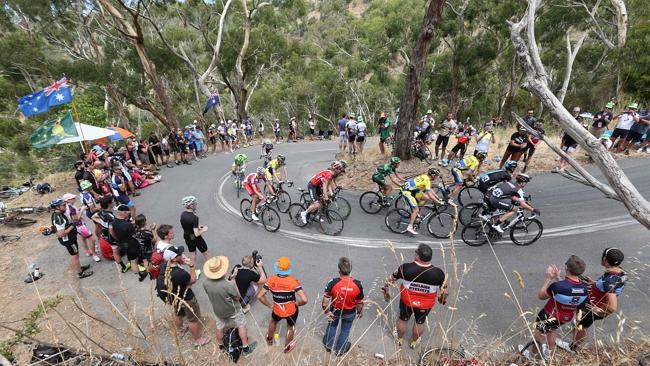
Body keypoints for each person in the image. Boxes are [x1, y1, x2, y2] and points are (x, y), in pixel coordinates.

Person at [519, 255, 588, 361]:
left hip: (548, 315)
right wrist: (558, 278)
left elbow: (541, 296)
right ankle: (549, 354)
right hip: (566, 317)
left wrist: (548, 279)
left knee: (540, 335)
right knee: (552, 330)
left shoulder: (558, 286)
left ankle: (532, 356)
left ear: (566, 268)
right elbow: (570, 290)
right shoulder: (584, 287)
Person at [383, 244, 446, 349]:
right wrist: (442, 299)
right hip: (425, 305)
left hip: (407, 301)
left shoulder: (405, 268)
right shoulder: (439, 273)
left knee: (403, 319)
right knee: (420, 322)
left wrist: (385, 288)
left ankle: (399, 339)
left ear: (417, 256)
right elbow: (444, 291)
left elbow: (390, 279)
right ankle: (414, 342)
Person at [156, 246, 210, 347]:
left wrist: (180, 261)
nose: (182, 255)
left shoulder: (164, 265)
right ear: (174, 258)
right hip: (186, 299)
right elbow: (193, 280)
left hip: (174, 297)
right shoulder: (180, 273)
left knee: (178, 314)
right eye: (179, 254)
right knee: (192, 319)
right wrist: (192, 266)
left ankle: (180, 331)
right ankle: (198, 340)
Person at [203, 256, 257, 356]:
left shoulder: (205, 283)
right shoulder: (227, 284)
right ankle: (245, 348)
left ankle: (221, 346)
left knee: (219, 327)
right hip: (233, 310)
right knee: (242, 325)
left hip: (218, 310)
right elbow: (237, 297)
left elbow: (208, 293)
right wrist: (233, 280)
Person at [257, 257, 308, 353]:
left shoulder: (271, 280)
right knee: (290, 327)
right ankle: (287, 347)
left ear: (277, 268)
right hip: (291, 310)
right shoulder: (293, 281)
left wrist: (269, 305)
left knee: (273, 322)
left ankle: (269, 339)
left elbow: (260, 296)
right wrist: (297, 303)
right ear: (288, 269)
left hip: (277, 308)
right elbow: (305, 299)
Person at [322, 257, 364, 356]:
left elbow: (325, 303)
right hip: (350, 312)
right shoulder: (357, 284)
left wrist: (327, 312)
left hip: (335, 310)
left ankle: (328, 346)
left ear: (339, 269)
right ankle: (340, 350)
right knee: (345, 329)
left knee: (332, 326)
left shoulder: (332, 282)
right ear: (350, 270)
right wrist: (360, 311)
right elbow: (359, 302)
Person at [50, 198, 94, 279]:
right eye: (63, 205)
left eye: (65, 204)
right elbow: (61, 234)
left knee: (75, 255)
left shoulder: (57, 214)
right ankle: (80, 273)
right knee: (75, 256)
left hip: (70, 238)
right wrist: (72, 225)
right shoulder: (59, 218)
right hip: (68, 240)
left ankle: (79, 268)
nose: (65, 206)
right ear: (57, 207)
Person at [400, 168, 444, 235]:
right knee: (416, 209)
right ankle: (410, 227)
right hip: (407, 192)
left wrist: (438, 198)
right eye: (436, 175)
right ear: (433, 175)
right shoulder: (427, 180)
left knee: (425, 198)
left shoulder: (425, 176)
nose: (437, 177)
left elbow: (430, 189)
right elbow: (429, 193)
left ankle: (417, 214)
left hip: (413, 190)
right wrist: (438, 202)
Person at [111, 204, 146, 279]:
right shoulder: (127, 225)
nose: (129, 214)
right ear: (123, 213)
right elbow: (135, 236)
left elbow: (111, 232)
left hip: (122, 244)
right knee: (134, 261)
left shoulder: (113, 222)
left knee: (131, 259)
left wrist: (117, 239)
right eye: (127, 213)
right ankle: (140, 275)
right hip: (132, 245)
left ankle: (138, 273)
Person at [63, 193, 100, 263]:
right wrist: (82, 210)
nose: (74, 198)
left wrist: (79, 209)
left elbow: (72, 216)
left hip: (77, 226)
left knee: (83, 238)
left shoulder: (68, 206)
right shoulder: (72, 208)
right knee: (92, 240)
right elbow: (76, 219)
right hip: (80, 226)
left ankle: (88, 251)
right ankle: (94, 255)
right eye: (72, 198)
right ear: (67, 200)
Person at [180, 196, 211, 272]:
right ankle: (212, 268)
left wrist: (197, 227)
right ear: (191, 206)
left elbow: (186, 226)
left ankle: (193, 271)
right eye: (195, 204)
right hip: (195, 237)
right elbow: (196, 234)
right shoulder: (194, 217)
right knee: (206, 252)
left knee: (192, 254)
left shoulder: (183, 214)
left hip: (187, 236)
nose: (196, 205)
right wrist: (203, 230)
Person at [134, 214, 156, 280]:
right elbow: (154, 240)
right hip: (148, 250)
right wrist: (153, 230)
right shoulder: (147, 232)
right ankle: (153, 273)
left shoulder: (136, 231)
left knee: (145, 261)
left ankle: (150, 274)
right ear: (144, 222)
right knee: (151, 262)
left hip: (141, 249)